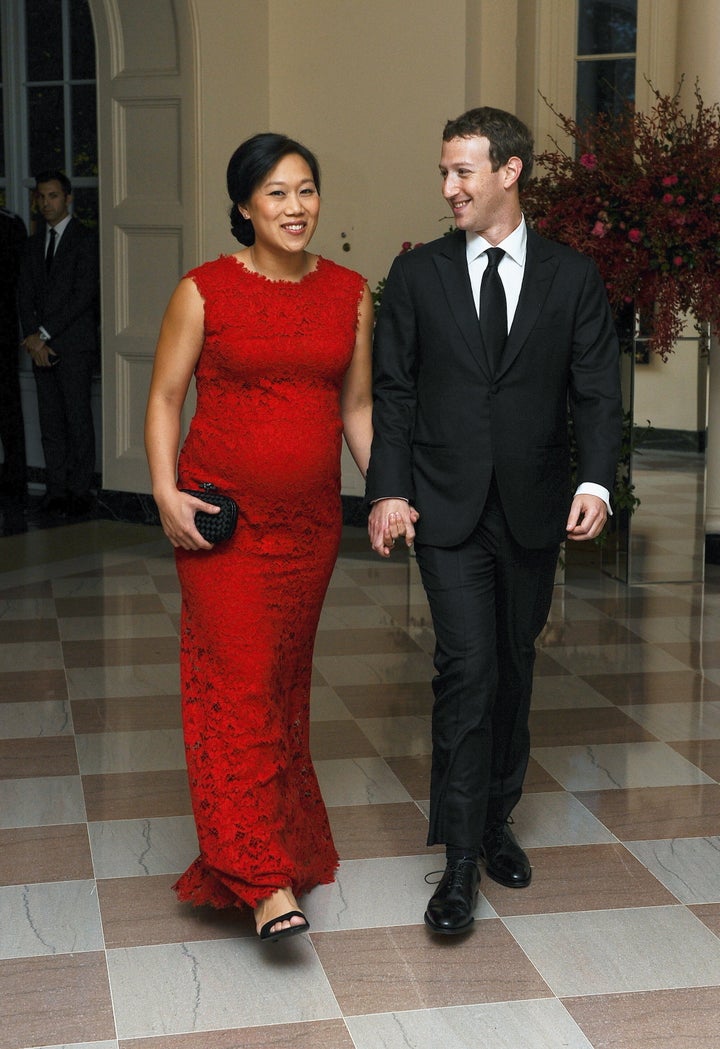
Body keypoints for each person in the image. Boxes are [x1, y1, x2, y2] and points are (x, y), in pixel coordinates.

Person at [366, 107, 622, 935]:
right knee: (466, 669)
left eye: (463, 172)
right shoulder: (417, 277)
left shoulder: (572, 276)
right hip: (442, 507)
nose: (449, 189)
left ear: (510, 172)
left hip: (532, 507)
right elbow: (394, 392)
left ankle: (497, 815)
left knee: (513, 665)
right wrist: (386, 489)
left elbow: (595, 392)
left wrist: (596, 481)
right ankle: (461, 860)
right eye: (444, 172)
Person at [145, 133, 374, 942]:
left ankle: (282, 842)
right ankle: (261, 877)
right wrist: (165, 491)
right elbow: (167, 396)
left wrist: (385, 493)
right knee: (237, 684)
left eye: (306, 189)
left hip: (310, 528)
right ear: (243, 205)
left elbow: (355, 409)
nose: (295, 207)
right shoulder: (203, 290)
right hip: (223, 526)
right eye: (275, 193)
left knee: (281, 684)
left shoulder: (349, 291)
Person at [17, 170, 99, 516]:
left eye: (52, 196)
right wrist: (32, 339)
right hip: (39, 347)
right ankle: (55, 489)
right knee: (49, 421)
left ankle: (80, 491)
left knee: (77, 418)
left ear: (67, 199)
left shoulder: (85, 239)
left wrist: (44, 334)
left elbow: (83, 295)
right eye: (41, 196)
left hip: (73, 345)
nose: (45, 203)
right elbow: (22, 293)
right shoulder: (33, 243)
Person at [0, 205, 28, 499]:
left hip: (3, 332)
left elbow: (21, 282)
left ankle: (14, 478)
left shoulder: (8, 224)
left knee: (7, 408)